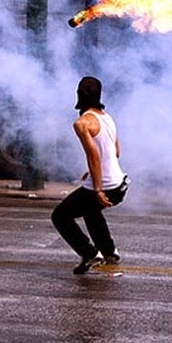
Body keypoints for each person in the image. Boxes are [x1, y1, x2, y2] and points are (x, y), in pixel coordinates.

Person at [51, 76, 129, 274]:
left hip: (106, 185)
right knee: (89, 210)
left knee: (60, 216)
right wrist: (95, 174)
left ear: (79, 96)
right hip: (120, 183)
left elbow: (94, 157)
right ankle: (109, 251)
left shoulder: (82, 123)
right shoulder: (107, 118)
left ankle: (90, 253)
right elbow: (115, 151)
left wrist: (97, 190)